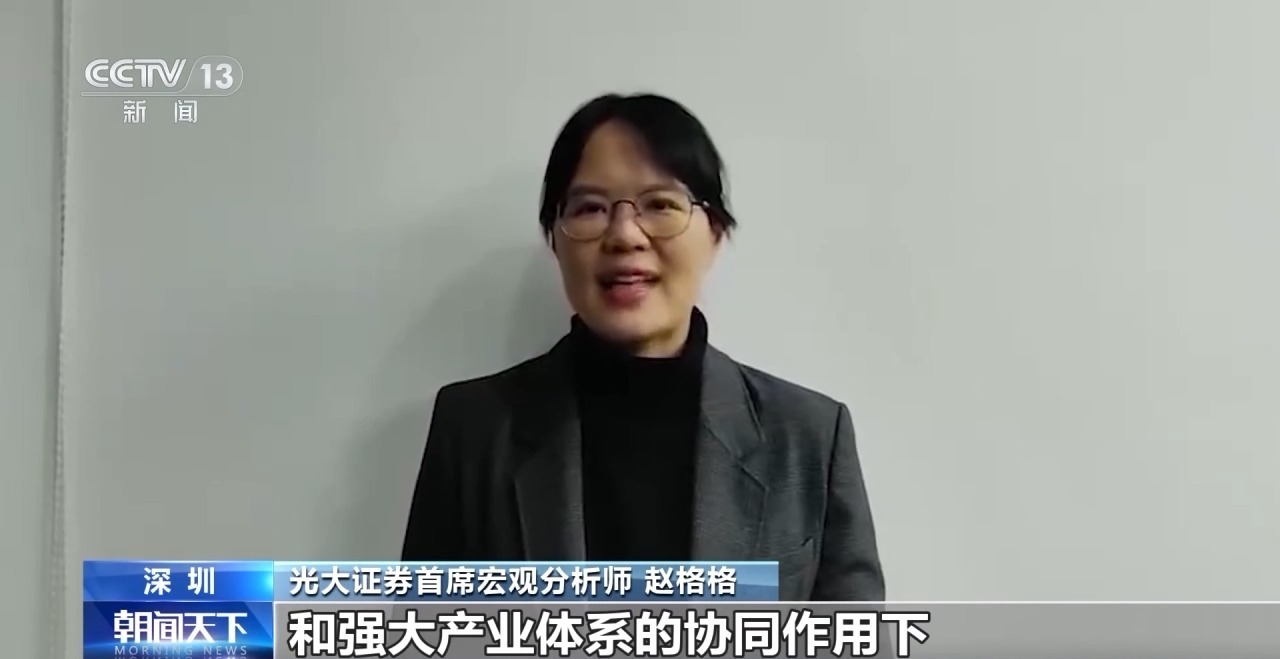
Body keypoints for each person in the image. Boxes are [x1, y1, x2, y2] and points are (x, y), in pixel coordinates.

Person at [402, 93, 885, 601]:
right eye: (591, 208)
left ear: (714, 233)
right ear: (555, 239)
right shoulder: (474, 431)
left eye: (661, 205)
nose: (625, 235)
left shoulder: (809, 439)